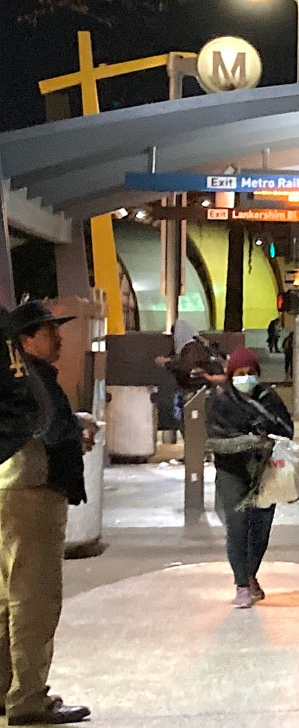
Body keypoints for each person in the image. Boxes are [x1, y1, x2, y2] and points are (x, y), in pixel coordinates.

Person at [0, 302, 96, 725]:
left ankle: (7, 692)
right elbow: (49, 427)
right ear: (25, 340)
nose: (58, 337)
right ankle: (29, 700)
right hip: (31, 495)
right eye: (48, 330)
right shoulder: (29, 381)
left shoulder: (14, 379)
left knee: (6, 599)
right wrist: (76, 431)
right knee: (34, 600)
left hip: (9, 490)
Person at [206, 347, 292, 609]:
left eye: (250, 373)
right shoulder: (221, 402)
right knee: (238, 526)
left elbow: (287, 430)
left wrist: (269, 440)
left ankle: (251, 572)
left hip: (266, 472)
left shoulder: (270, 398)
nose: (245, 378)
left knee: (260, 530)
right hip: (232, 472)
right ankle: (241, 584)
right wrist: (249, 442)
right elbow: (215, 442)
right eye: (240, 374)